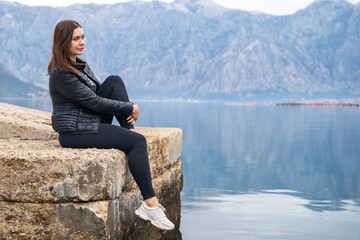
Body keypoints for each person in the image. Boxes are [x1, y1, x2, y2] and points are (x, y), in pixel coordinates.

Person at [48, 19, 174, 231]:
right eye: (76, 39)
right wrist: (129, 107)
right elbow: (94, 102)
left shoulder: (80, 65)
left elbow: (98, 96)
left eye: (83, 37)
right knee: (138, 142)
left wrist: (126, 110)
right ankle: (150, 205)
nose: (82, 42)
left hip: (89, 121)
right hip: (75, 131)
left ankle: (129, 133)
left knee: (114, 81)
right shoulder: (61, 74)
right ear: (63, 42)